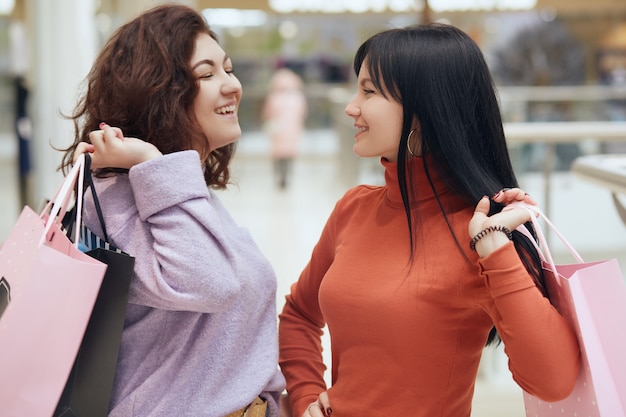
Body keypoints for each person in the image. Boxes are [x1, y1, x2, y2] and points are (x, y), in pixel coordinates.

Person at [278, 23, 581, 417]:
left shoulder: (483, 237)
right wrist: (305, 397)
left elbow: (553, 381)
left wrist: (493, 246)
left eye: (368, 91)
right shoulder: (353, 209)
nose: (351, 106)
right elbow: (299, 315)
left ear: (422, 112)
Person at [59, 5, 285, 417]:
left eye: (228, 68)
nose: (232, 84)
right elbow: (209, 284)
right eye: (206, 74)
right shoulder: (114, 202)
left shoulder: (181, 195)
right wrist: (150, 160)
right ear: (159, 92)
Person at [261, 68, 308, 189]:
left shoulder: (274, 97)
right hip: (293, 130)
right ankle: (287, 177)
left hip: (277, 130)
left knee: (277, 154)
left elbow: (268, 113)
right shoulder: (298, 97)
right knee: (289, 154)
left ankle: (278, 176)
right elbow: (303, 113)